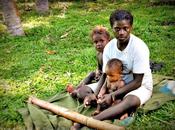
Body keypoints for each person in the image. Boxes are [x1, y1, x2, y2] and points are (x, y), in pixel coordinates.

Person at [92, 9, 153, 122]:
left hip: (138, 87)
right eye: (117, 29)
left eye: (125, 28)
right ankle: (116, 109)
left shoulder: (139, 47)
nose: (121, 32)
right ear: (112, 29)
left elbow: (138, 82)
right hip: (114, 84)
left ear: (131, 28)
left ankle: (93, 120)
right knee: (83, 93)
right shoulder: (109, 47)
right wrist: (96, 93)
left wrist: (112, 95)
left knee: (129, 101)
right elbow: (105, 75)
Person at [69, 25, 110, 101]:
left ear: (108, 40)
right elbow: (100, 68)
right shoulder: (99, 54)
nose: (98, 44)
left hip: (107, 81)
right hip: (101, 77)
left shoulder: (110, 54)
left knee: (81, 93)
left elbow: (108, 75)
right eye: (96, 42)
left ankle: (94, 97)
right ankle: (78, 87)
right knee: (91, 73)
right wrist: (98, 72)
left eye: (101, 41)